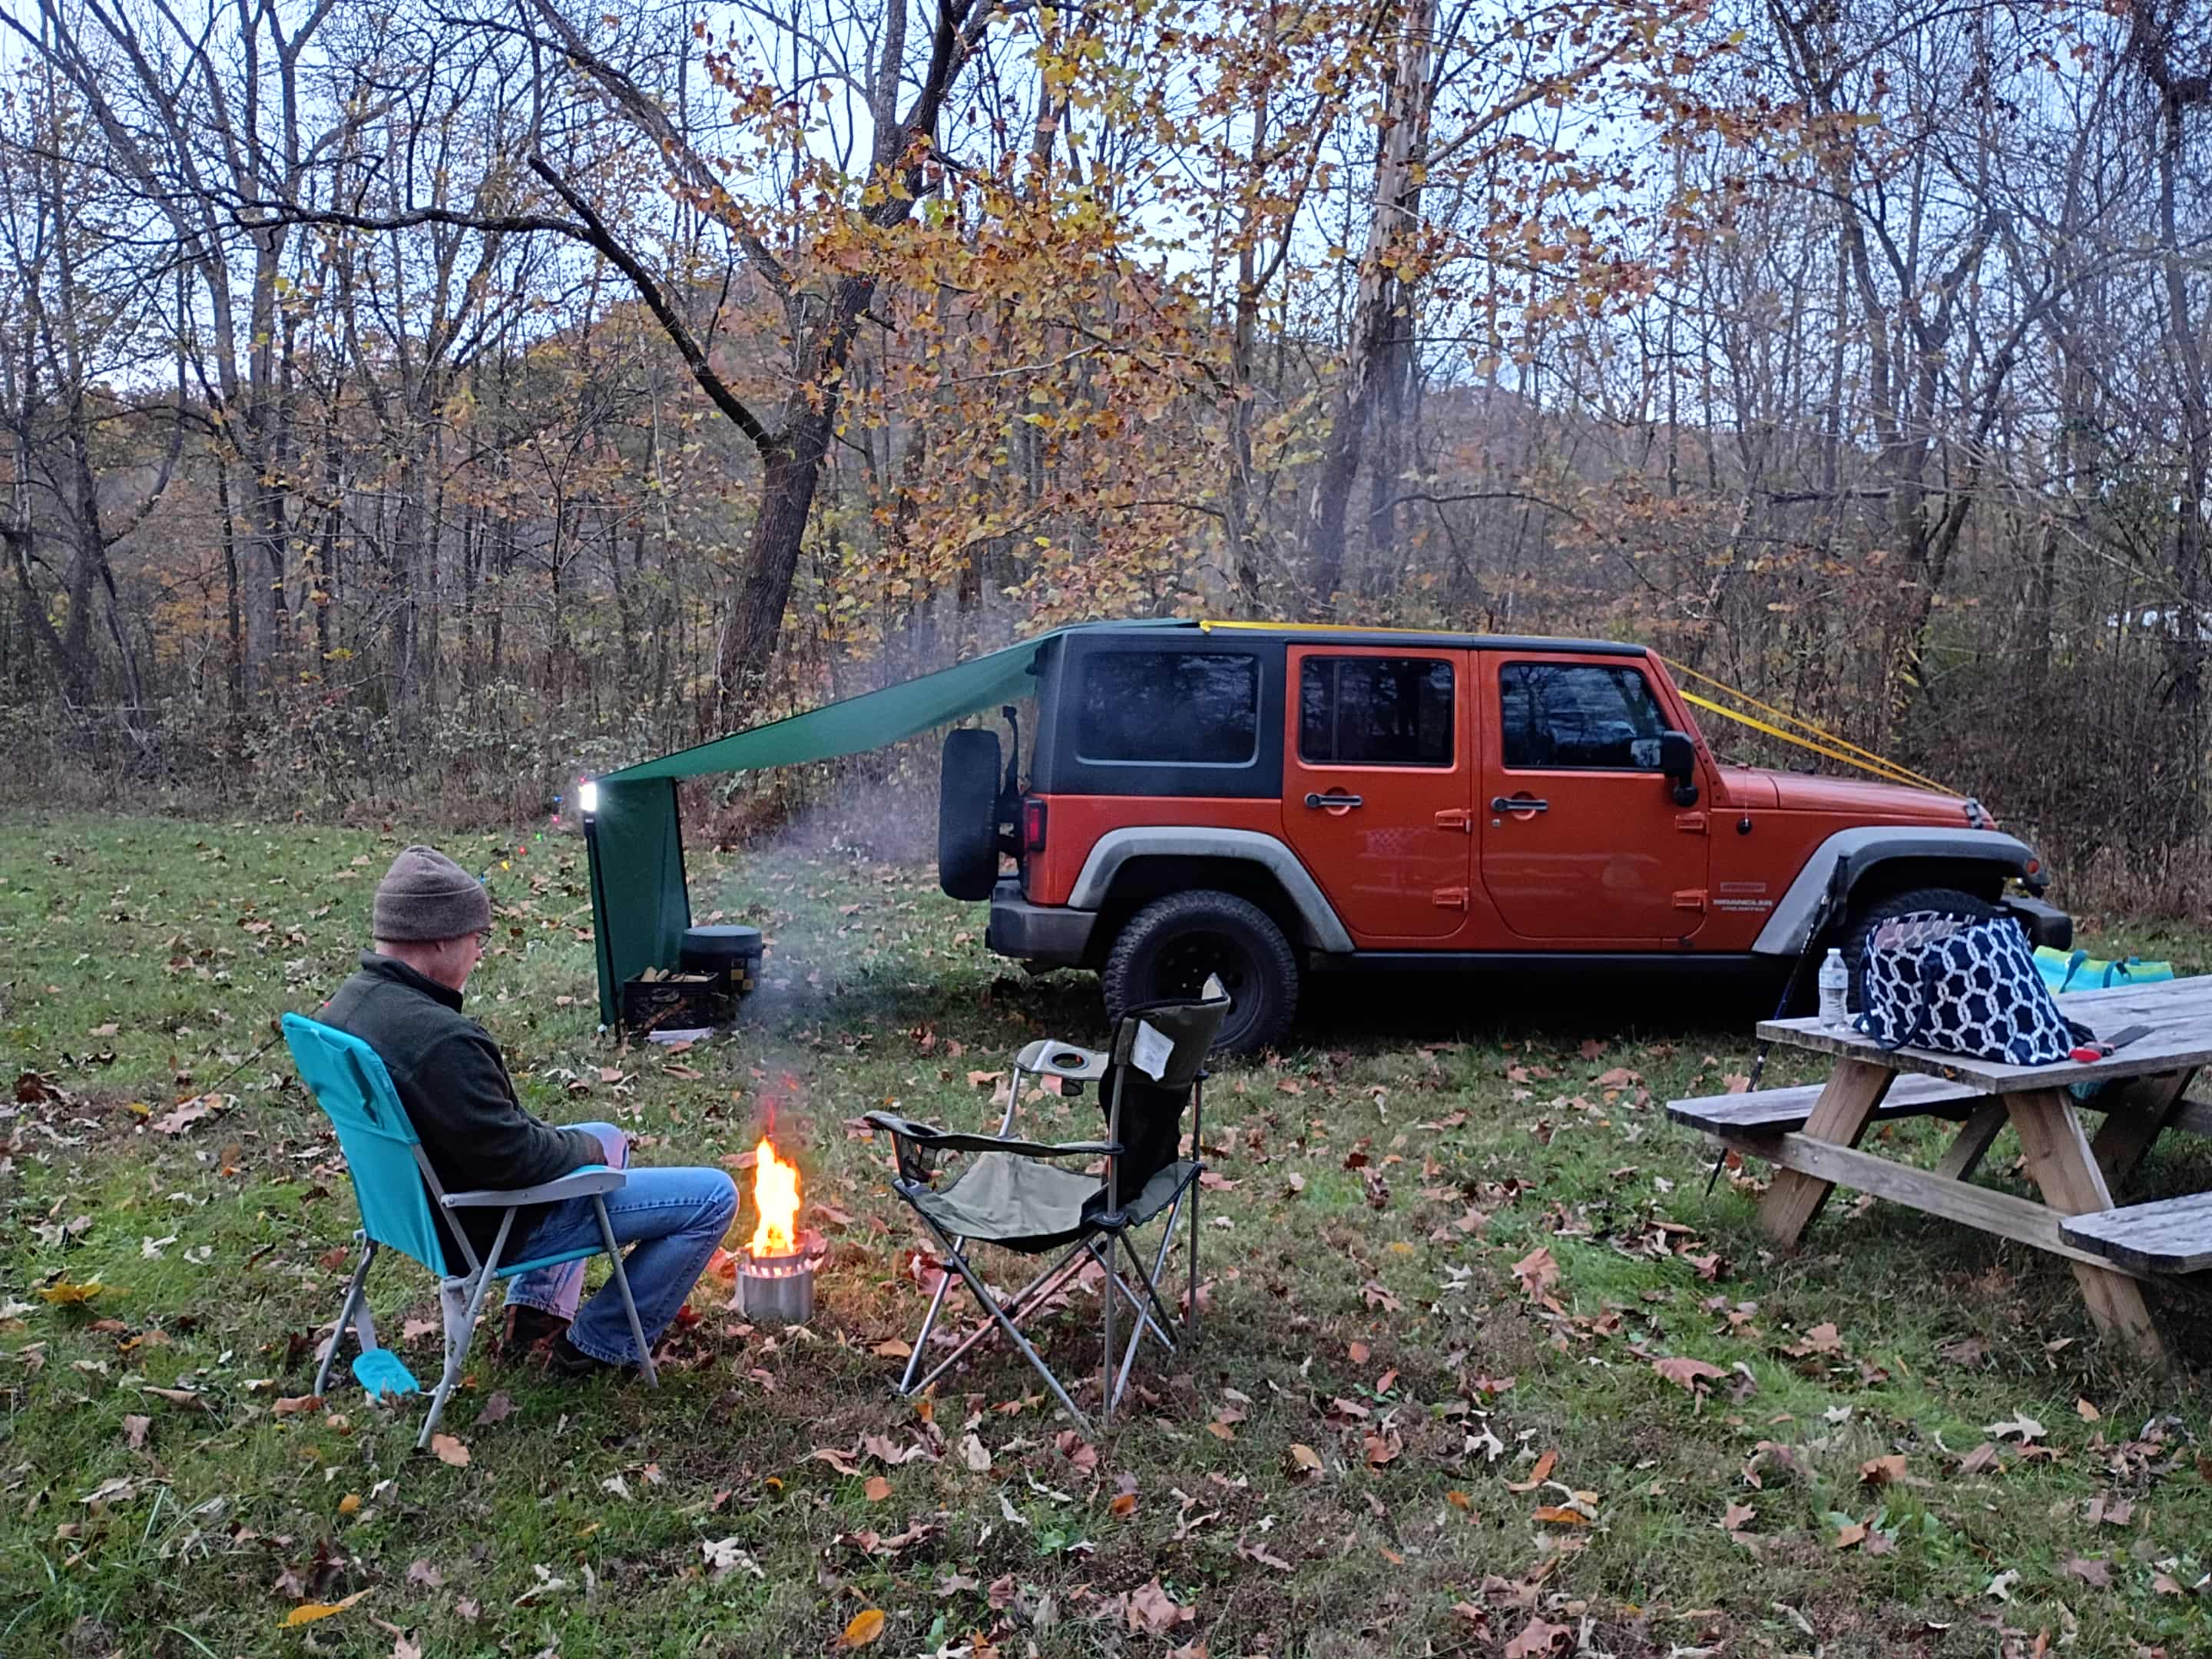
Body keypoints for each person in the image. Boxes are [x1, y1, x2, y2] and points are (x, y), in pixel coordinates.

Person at [323, 845, 737, 1377]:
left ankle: (536, 1314)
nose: (479, 952)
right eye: (478, 937)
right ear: (441, 936)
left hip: (407, 1210)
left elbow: (491, 1135)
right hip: (484, 1225)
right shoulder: (441, 1040)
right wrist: (580, 1151)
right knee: (713, 1195)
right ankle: (598, 1347)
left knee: (608, 1135)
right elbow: (517, 1161)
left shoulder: (351, 1003)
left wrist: (579, 1142)